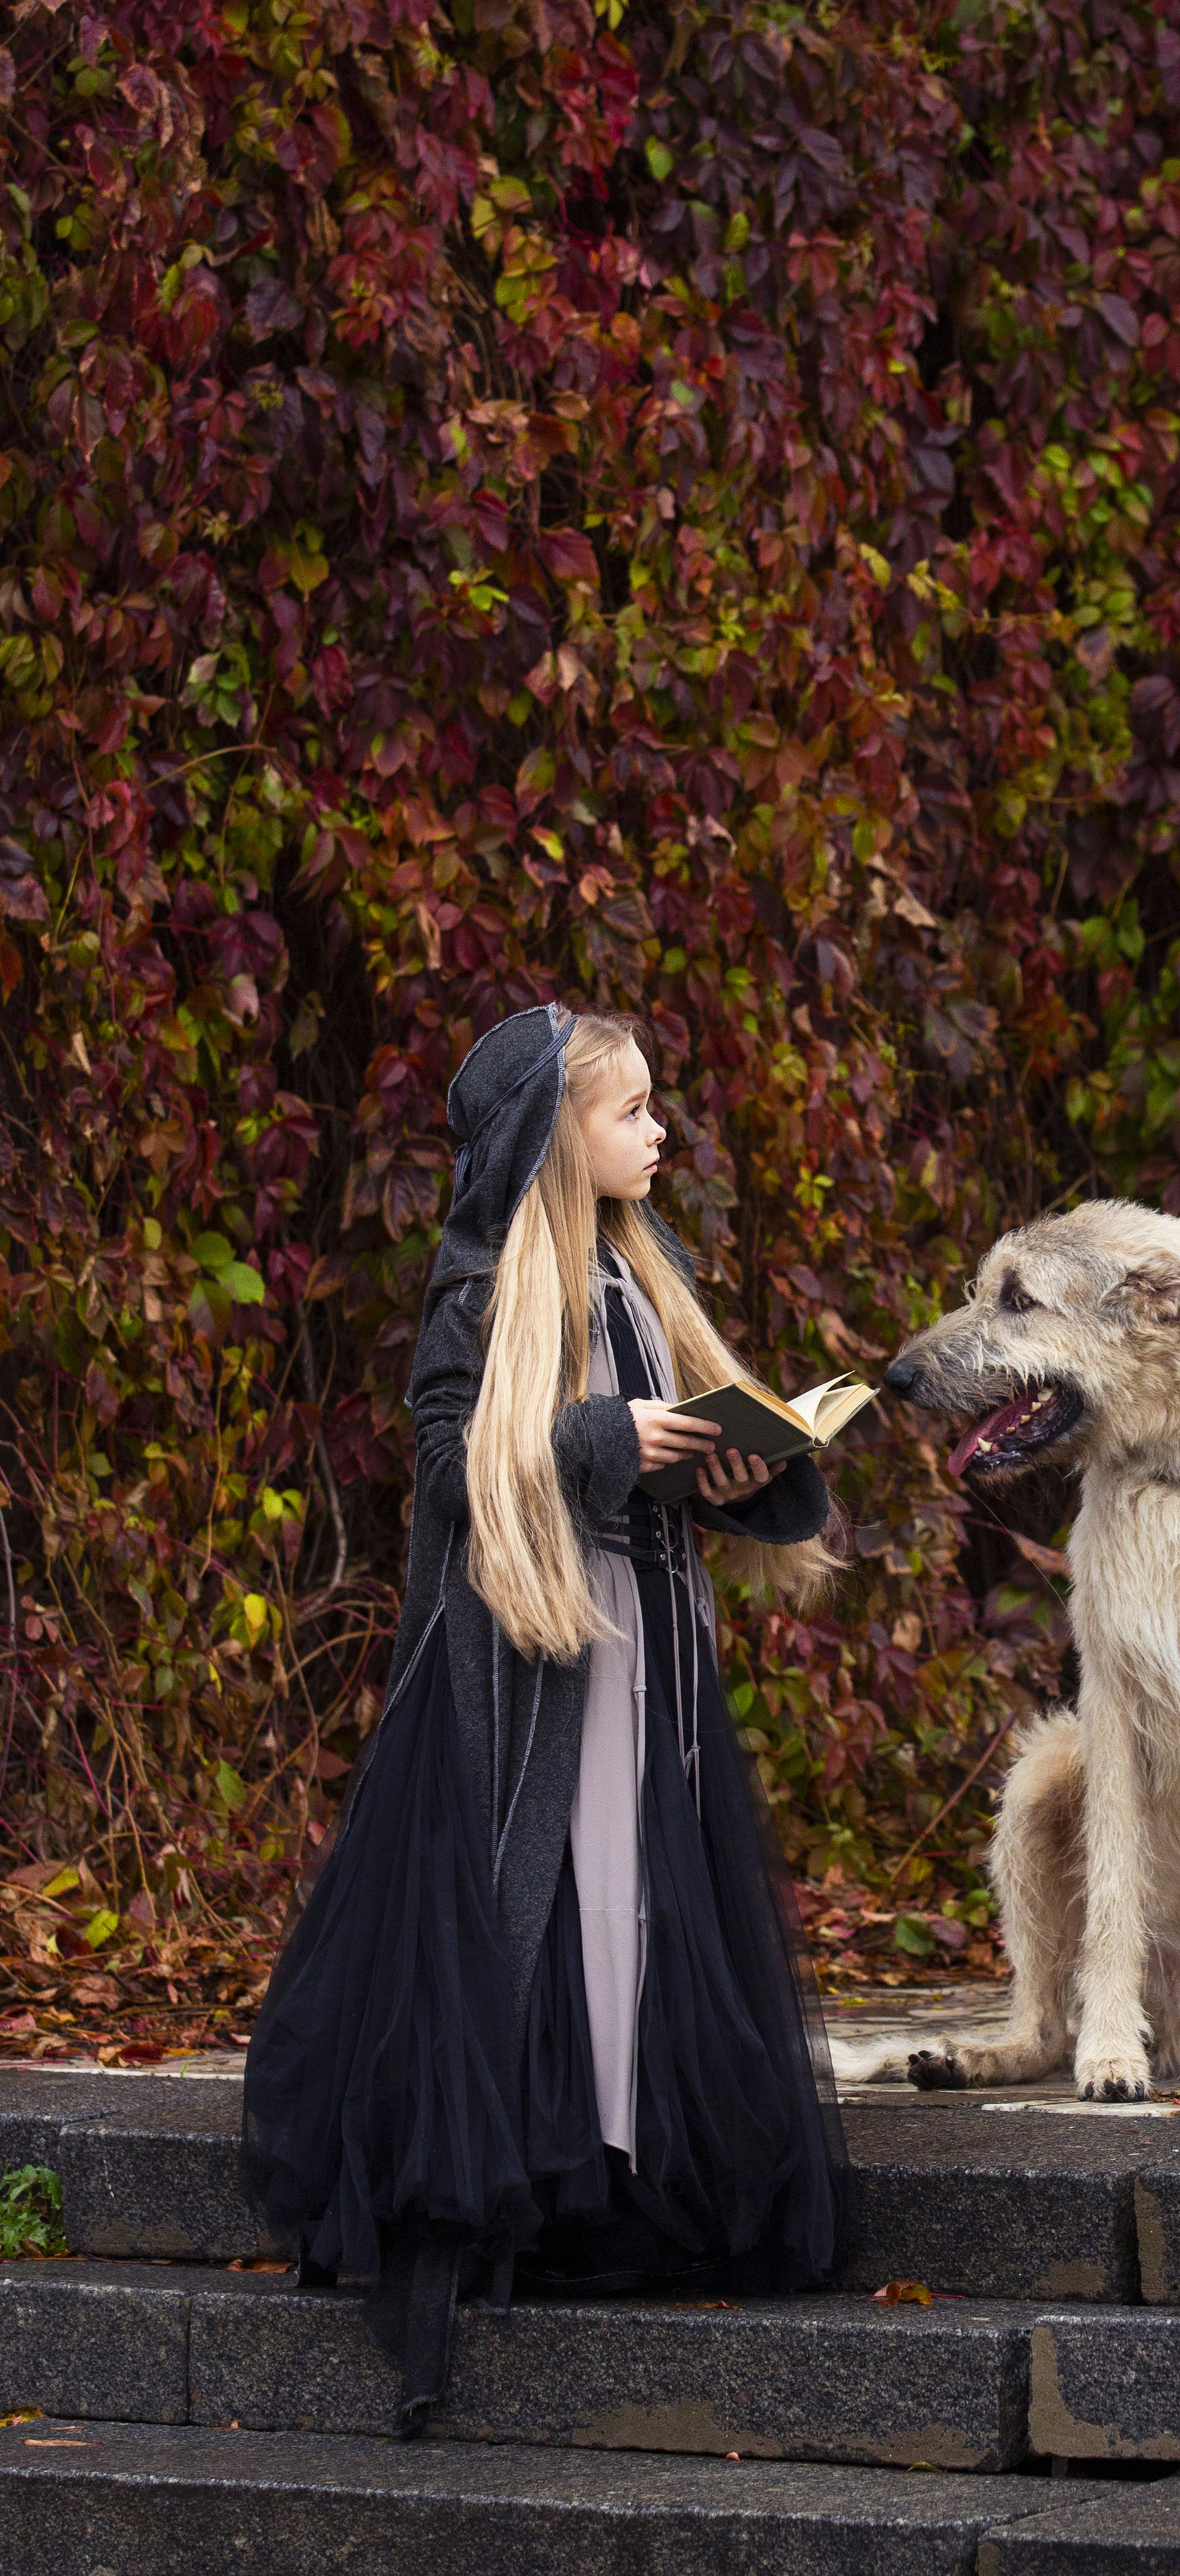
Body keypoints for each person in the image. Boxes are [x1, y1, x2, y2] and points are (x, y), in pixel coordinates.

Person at [244, 1004, 849, 2430]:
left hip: (650, 1654)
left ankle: (622, 2180)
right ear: (553, 1133)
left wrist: (744, 1468)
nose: (658, 1130)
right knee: (550, 1908)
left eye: (653, 1106)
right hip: (529, 1669)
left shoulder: (645, 1270)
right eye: (629, 1109)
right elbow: (454, 1471)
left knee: (639, 1907)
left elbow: (678, 1456)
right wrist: (601, 1441)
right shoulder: (484, 1290)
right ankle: (518, 2181)